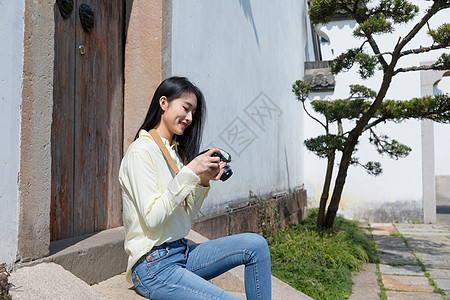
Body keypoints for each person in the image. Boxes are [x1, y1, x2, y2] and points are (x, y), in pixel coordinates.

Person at [119, 76, 271, 300]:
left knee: (255, 245)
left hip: (182, 252)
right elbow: (153, 219)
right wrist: (190, 172)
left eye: (193, 113)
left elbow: (186, 215)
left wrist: (202, 181)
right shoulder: (141, 151)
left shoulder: (173, 152)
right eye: (186, 108)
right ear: (163, 103)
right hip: (154, 266)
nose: (189, 118)